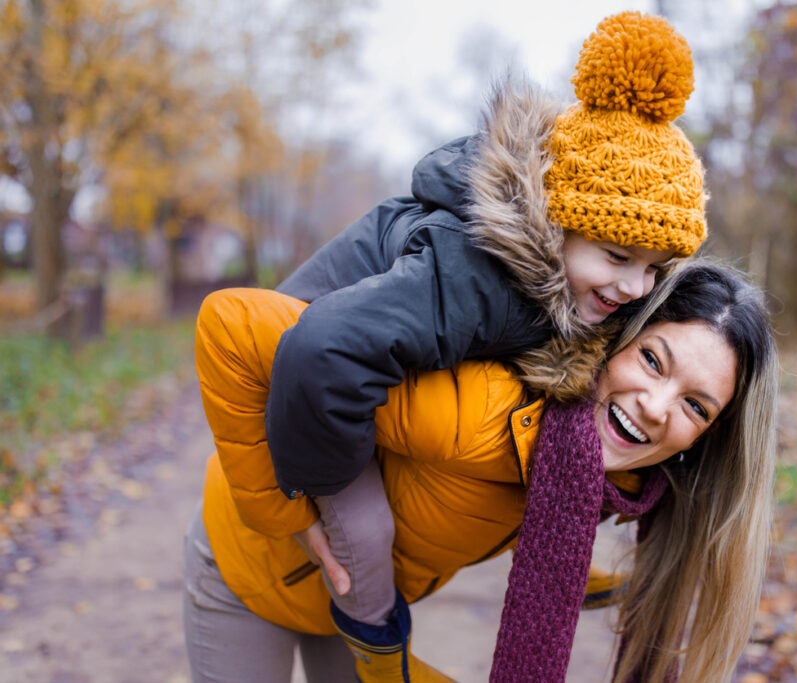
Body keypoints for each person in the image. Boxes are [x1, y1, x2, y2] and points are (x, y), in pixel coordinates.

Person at [256, 10, 709, 674]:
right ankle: (377, 634)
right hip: (301, 380)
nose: (636, 286)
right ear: (555, 227)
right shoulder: (473, 278)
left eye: (655, 266)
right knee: (369, 528)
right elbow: (317, 350)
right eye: (617, 255)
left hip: (358, 354)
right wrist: (311, 489)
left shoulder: (568, 283)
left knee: (538, 408)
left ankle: (556, 546)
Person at [186, 260, 779, 683]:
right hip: (250, 566)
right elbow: (234, 325)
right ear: (615, 341)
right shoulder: (478, 413)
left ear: (707, 437)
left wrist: (563, 567)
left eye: (695, 406)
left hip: (363, 607)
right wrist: (284, 514)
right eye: (652, 359)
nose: (655, 405)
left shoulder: (609, 474)